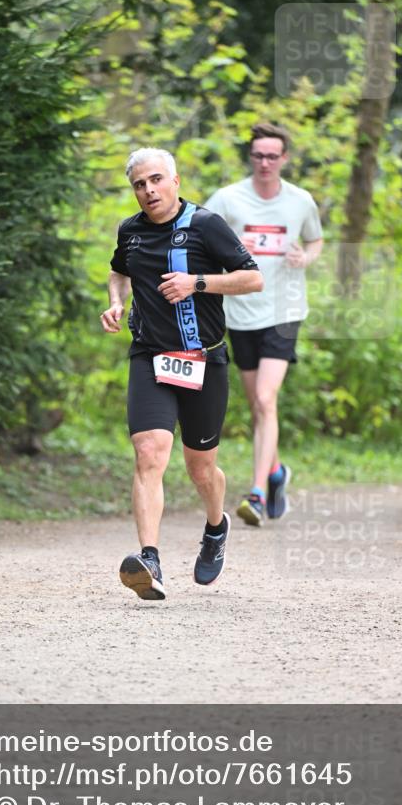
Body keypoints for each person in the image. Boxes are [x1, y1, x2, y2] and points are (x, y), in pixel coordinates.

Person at [101, 147, 263, 601]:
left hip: (204, 360)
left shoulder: (205, 224)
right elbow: (118, 271)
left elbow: (252, 278)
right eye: (139, 184)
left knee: (200, 467)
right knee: (150, 452)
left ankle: (216, 526)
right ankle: (149, 559)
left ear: (175, 180)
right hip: (150, 356)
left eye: (155, 180)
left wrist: (197, 282)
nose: (148, 190)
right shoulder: (130, 232)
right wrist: (117, 301)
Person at [204, 122, 323, 527]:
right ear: (250, 157)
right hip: (240, 313)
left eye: (273, 156)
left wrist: (305, 258)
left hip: (285, 311)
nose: (265, 162)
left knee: (266, 400)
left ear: (285, 158)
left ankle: (255, 493)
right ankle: (275, 473)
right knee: (257, 405)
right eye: (258, 155)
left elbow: (315, 240)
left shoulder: (300, 201)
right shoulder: (228, 199)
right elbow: (198, 232)